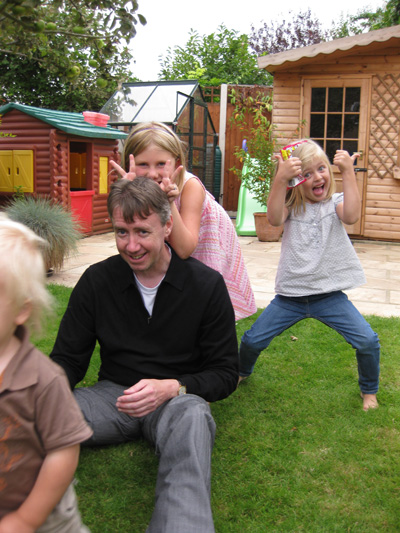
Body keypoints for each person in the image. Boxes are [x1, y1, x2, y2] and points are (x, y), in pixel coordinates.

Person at [50, 177, 239, 532]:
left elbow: (226, 372)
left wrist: (175, 387)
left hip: (176, 401)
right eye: (122, 232)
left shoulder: (206, 285)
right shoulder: (97, 281)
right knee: (28, 415)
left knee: (194, 420)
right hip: (113, 397)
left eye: (142, 231)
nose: (131, 245)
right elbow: (68, 359)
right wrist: (39, 396)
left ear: (168, 225)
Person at [238, 139, 380, 411]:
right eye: (306, 174)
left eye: (321, 169)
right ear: (295, 182)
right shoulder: (292, 207)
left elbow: (351, 216)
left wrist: (348, 172)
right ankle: (242, 371)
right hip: (290, 297)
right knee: (253, 340)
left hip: (329, 296)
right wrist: (279, 180)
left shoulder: (336, 203)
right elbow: (274, 219)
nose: (317, 177)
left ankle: (369, 391)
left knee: (367, 340)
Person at [109, 121, 257, 321]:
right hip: (175, 254)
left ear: (177, 162)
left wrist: (169, 202)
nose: (152, 174)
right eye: (143, 164)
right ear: (130, 163)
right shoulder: (138, 185)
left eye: (161, 164)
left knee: (204, 313)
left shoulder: (190, 187)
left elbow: (185, 249)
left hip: (203, 248)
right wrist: (128, 194)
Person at [0, 215, 92, 533]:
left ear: (21, 310)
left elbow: (64, 451)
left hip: (45, 517)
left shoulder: (43, 380)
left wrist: (27, 518)